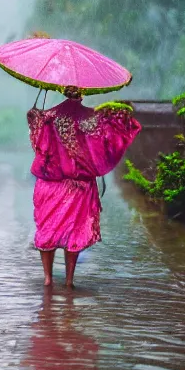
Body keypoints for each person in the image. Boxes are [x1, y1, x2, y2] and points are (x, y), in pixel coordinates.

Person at [27, 86, 141, 287]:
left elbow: (39, 146)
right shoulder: (92, 119)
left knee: (47, 230)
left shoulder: (48, 117)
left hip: (49, 186)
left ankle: (48, 278)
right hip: (79, 188)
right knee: (75, 232)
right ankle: (69, 280)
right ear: (82, 94)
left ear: (63, 92)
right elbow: (110, 138)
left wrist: (34, 117)